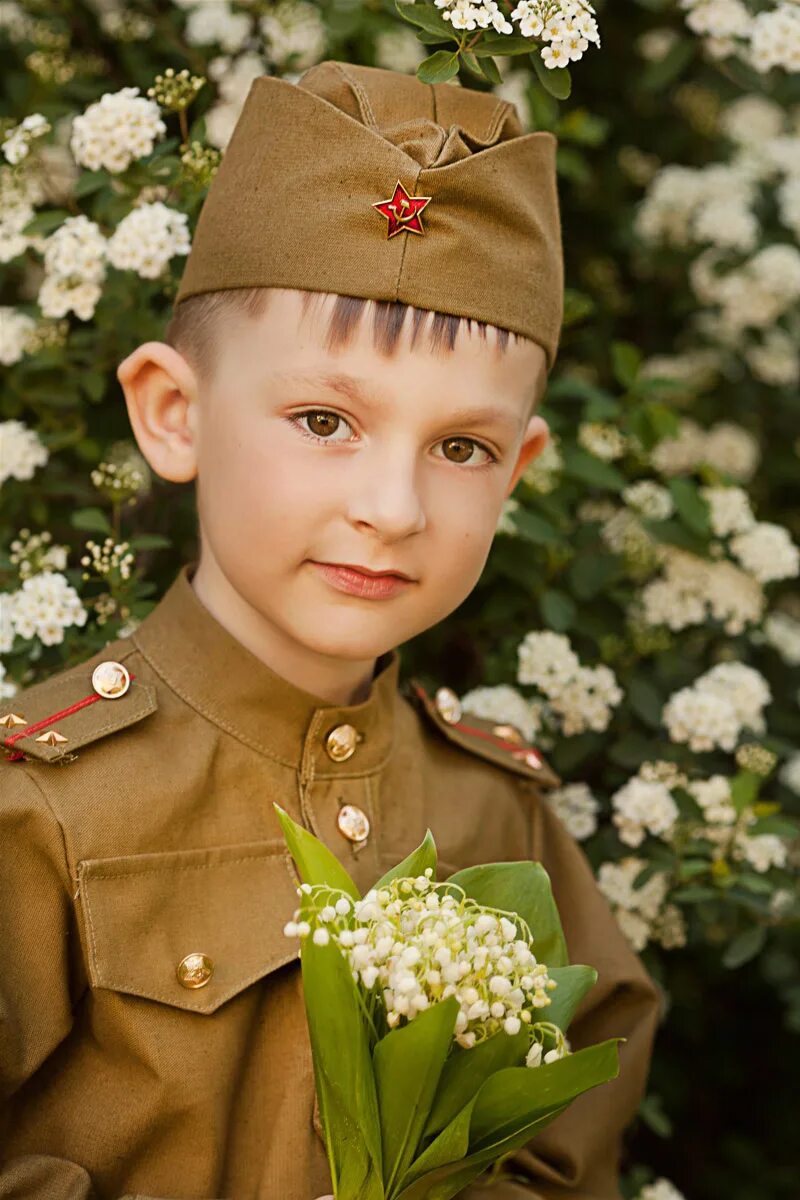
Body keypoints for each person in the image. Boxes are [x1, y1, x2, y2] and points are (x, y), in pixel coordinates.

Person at [0, 60, 661, 1199]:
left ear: (517, 474)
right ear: (175, 412)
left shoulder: (498, 814)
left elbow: (565, 1155)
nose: (393, 509)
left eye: (462, 448)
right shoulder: (39, 812)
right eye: (323, 419)